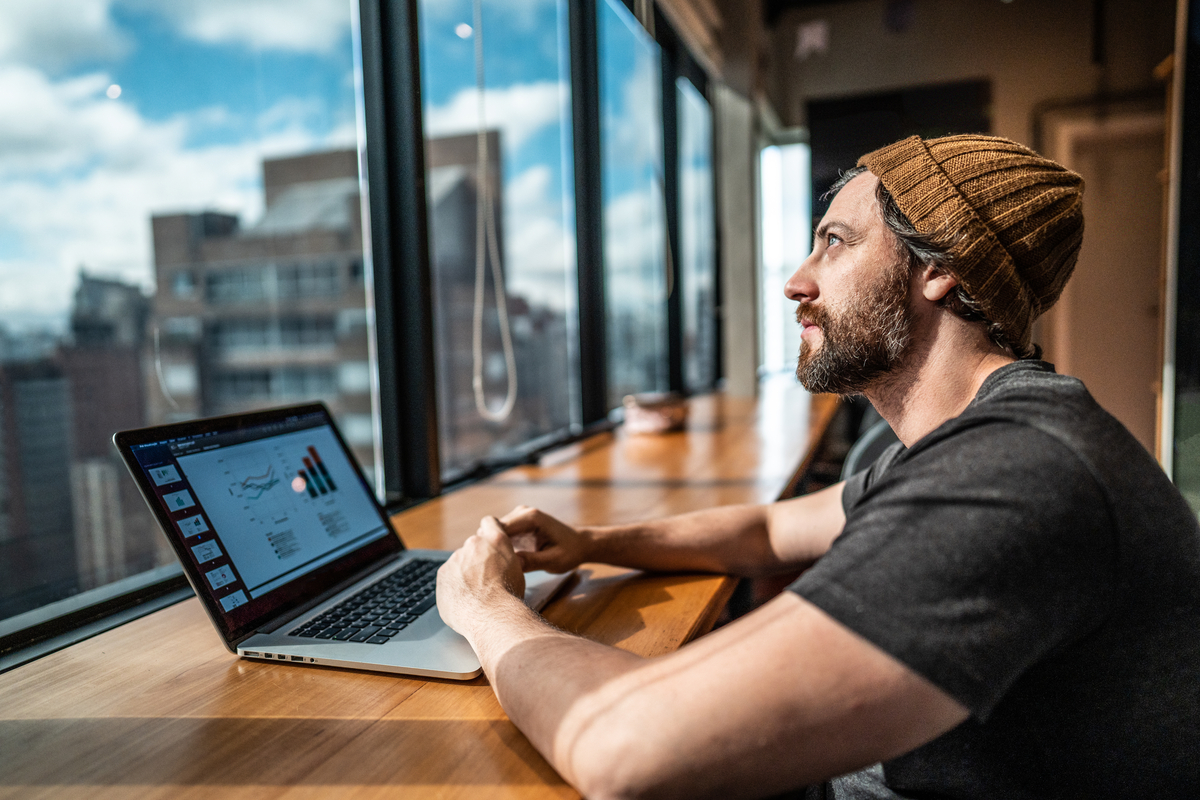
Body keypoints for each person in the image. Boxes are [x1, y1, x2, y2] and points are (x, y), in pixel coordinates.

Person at [435, 134, 1200, 799]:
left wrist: (484, 608)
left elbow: (623, 749)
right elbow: (769, 530)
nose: (797, 280)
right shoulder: (979, 436)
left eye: (834, 242)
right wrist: (592, 543)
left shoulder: (1018, 475)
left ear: (941, 266)